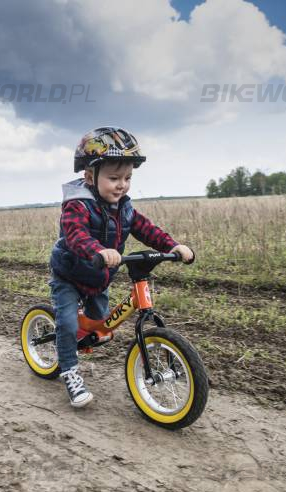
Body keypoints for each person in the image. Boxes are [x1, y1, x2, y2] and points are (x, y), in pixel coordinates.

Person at [49, 127, 194, 408]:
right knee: (66, 324)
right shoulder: (77, 206)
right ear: (90, 176)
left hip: (98, 278)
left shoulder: (124, 208)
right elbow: (75, 235)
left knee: (100, 322)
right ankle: (69, 370)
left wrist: (172, 246)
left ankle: (79, 335)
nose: (122, 185)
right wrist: (99, 250)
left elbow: (146, 229)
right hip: (69, 273)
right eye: (114, 178)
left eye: (127, 178)